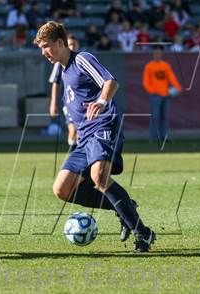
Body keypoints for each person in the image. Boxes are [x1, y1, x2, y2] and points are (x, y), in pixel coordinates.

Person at [34, 21, 156, 252]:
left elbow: (111, 81)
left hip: (103, 124)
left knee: (99, 177)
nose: (44, 52)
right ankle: (124, 208)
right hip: (84, 137)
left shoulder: (82, 59)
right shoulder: (62, 68)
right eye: (41, 47)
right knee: (62, 189)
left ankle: (143, 233)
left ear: (60, 42)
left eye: (46, 46)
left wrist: (101, 101)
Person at [143, 45, 182, 142]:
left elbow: (172, 78)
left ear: (161, 54)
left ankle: (164, 136)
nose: (157, 55)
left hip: (166, 95)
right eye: (156, 53)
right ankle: (154, 137)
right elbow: (146, 82)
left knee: (165, 117)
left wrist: (177, 88)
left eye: (159, 53)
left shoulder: (165, 65)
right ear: (153, 54)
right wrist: (153, 91)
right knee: (155, 117)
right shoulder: (149, 66)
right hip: (155, 95)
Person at [48, 35, 80, 151]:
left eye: (74, 44)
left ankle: (80, 157)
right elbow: (55, 82)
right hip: (69, 102)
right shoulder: (60, 62)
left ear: (78, 46)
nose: (71, 47)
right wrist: (53, 103)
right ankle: (72, 155)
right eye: (69, 44)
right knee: (73, 129)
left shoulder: (81, 61)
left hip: (82, 103)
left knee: (81, 132)